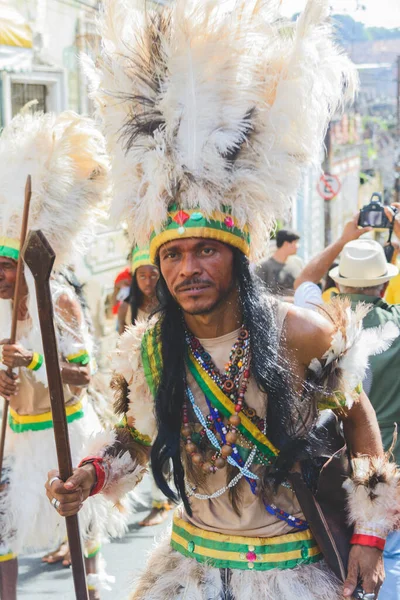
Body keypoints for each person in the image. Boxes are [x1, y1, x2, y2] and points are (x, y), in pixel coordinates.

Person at [46, 1, 398, 599]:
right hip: (191, 569)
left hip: (292, 570)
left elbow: (359, 418)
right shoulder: (149, 349)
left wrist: (368, 539)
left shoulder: (304, 331)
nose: (189, 269)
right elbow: (133, 439)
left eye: (205, 250)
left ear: (237, 254)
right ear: (157, 268)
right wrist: (92, 474)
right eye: (173, 255)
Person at [0, 110, 126, 600]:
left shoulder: (61, 301)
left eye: (8, 266)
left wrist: (30, 363)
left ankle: (91, 593)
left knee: (83, 526)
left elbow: (84, 374)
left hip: (64, 432)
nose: (1, 276)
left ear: (26, 265)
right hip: (14, 438)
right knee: (3, 528)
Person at [117, 246, 172, 527]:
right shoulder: (128, 308)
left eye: (153, 274)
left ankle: (164, 501)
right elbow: (120, 350)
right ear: (135, 278)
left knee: (168, 443)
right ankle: (158, 498)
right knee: (144, 443)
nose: (148, 280)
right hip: (140, 388)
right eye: (142, 275)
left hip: (169, 384)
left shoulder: (172, 304)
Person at [293, 215, 372, 309]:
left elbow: (303, 282)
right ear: (384, 288)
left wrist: (343, 240)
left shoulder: (323, 317)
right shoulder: (393, 318)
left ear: (338, 285)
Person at [256, 230, 302, 296]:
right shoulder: (263, 266)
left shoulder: (298, 263)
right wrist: (283, 300)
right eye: (295, 243)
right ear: (286, 244)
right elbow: (258, 293)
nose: (298, 246)